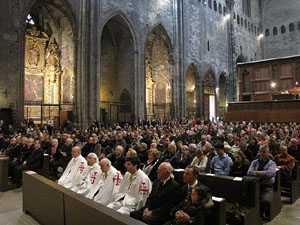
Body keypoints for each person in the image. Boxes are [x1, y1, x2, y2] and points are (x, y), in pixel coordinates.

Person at [247, 145, 276, 220]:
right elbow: (249, 172)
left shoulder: (272, 164)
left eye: (264, 152)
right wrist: (263, 173)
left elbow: (270, 174)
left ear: (268, 153)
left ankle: (259, 213)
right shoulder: (254, 162)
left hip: (266, 187)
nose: (262, 154)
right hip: (254, 185)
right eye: (260, 152)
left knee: (266, 201)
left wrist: (256, 172)